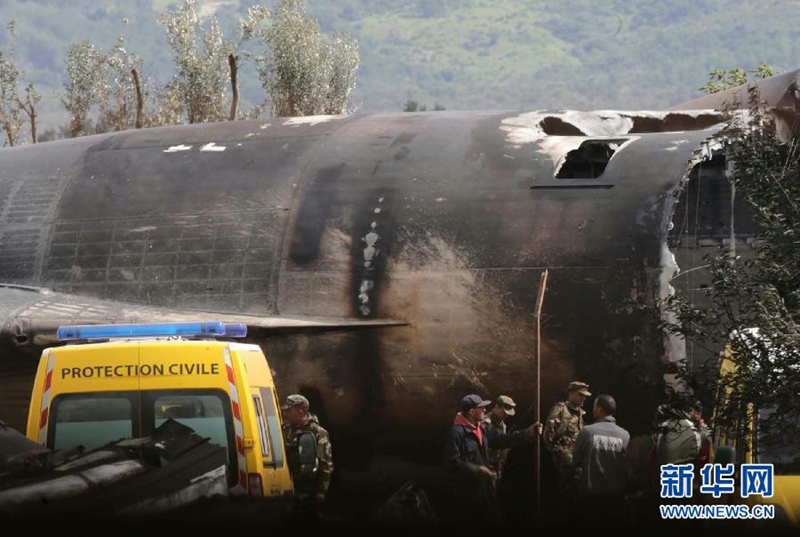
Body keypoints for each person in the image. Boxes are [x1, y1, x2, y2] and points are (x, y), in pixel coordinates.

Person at [444, 393, 542, 526]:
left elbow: (501, 440)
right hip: (469, 493)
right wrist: (477, 470)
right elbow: (453, 463)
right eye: (481, 408)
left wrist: (527, 433)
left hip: (485, 489)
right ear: (472, 412)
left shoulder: (481, 429)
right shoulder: (456, 433)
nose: (485, 410)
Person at [572, 393, 630, 525]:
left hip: (591, 499)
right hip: (616, 498)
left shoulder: (587, 432)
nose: (593, 410)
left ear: (599, 409)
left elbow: (575, 460)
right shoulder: (625, 435)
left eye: (594, 407)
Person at [281, 393, 334, 520]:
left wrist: (321, 491)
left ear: (300, 412)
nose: (286, 413)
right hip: (288, 487)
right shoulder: (285, 429)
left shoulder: (317, 432)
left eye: (289, 410)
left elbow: (326, 463)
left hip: (308, 489)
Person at [543, 380, 591, 501]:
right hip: (564, 467)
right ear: (571, 394)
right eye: (580, 394)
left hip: (578, 468)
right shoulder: (560, 409)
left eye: (585, 395)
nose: (583, 398)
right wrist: (565, 458)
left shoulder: (580, 414)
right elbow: (548, 438)